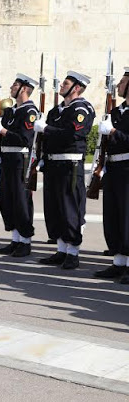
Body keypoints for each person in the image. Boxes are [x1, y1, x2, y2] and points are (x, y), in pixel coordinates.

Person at [35, 71, 94, 270]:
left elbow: (72, 135)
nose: (61, 85)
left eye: (66, 83)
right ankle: (61, 250)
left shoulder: (82, 109)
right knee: (54, 209)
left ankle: (73, 253)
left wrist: (47, 130)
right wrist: (43, 158)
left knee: (70, 209)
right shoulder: (56, 111)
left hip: (70, 164)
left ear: (76, 88)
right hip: (53, 164)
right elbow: (47, 140)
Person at [0, 74, 38, 257]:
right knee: (7, 201)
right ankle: (16, 239)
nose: (12, 87)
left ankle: (25, 241)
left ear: (24, 89)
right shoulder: (12, 111)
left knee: (21, 202)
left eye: (15, 84)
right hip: (8, 160)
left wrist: (2, 131)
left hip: (20, 161)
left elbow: (24, 140)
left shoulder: (29, 112)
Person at [95, 67, 129, 282]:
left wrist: (114, 132)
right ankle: (118, 262)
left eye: (123, 82)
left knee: (127, 217)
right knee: (113, 216)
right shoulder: (117, 112)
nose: (118, 86)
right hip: (113, 169)